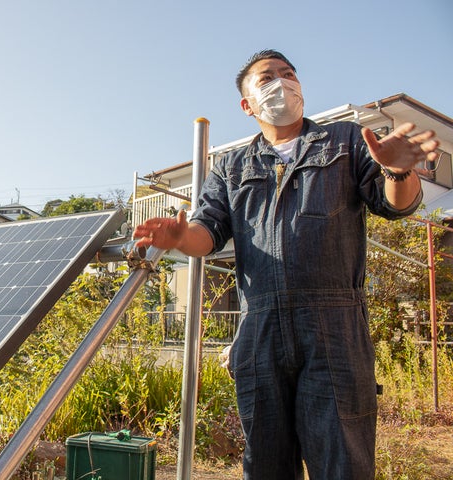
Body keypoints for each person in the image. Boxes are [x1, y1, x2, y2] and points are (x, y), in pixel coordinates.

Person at [134, 49, 440, 479]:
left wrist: (397, 173)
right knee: (266, 465)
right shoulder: (230, 167)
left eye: (288, 74)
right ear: (247, 104)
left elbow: (396, 207)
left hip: (334, 328)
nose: (282, 84)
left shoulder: (345, 141)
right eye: (266, 79)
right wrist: (182, 238)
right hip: (260, 330)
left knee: (343, 463)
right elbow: (208, 232)